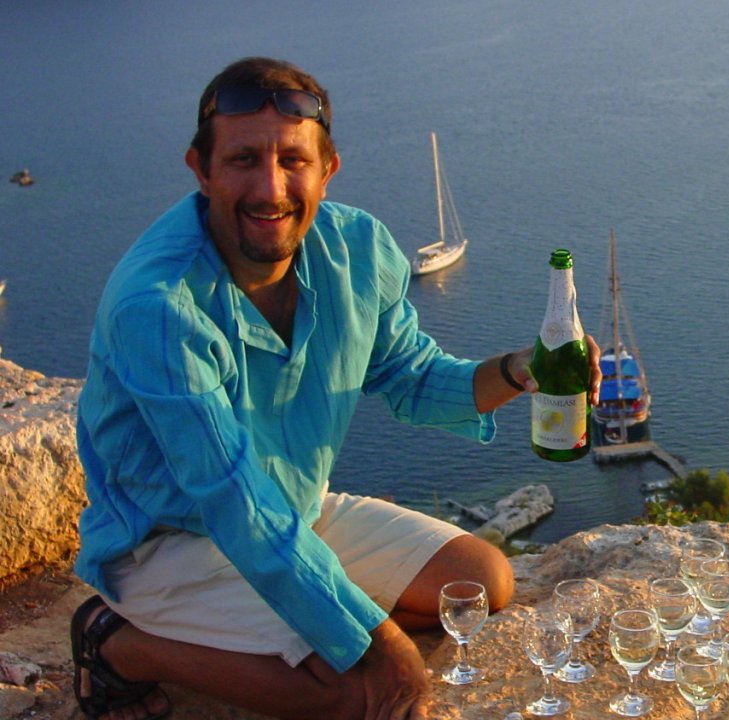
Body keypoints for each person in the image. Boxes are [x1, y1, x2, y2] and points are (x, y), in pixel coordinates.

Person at [70, 57, 600, 720]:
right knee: (359, 690)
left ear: (328, 169)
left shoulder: (358, 249)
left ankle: (299, 613)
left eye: (293, 160)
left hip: (293, 508)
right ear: (200, 170)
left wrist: (523, 368)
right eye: (242, 160)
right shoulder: (159, 306)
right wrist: (377, 646)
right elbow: (232, 501)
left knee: (480, 583)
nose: (270, 188)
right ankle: (119, 645)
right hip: (174, 542)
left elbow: (413, 378)